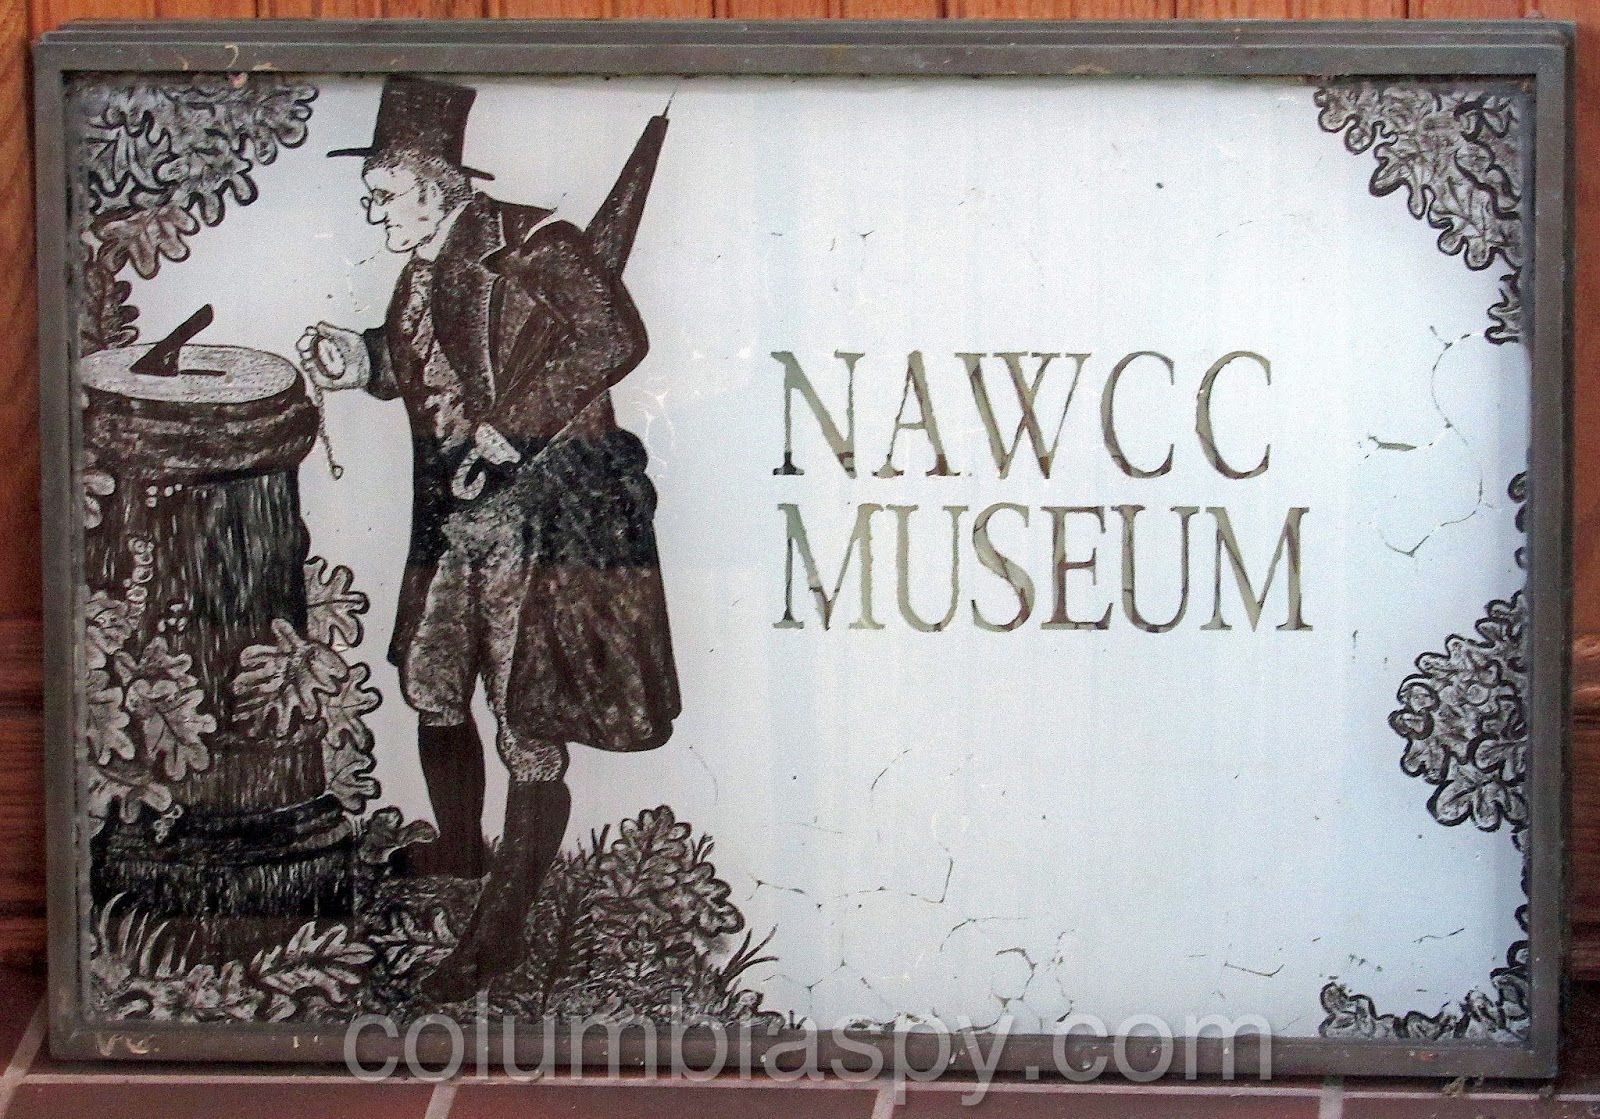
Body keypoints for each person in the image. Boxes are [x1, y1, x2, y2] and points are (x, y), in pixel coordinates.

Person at [298, 76, 679, 1001]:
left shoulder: (536, 244)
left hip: (541, 521)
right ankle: (461, 849)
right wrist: (361, 358)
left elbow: (613, 339)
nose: (372, 211)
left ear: (435, 186)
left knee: (526, 717)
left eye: (384, 193)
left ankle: (499, 934)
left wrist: (511, 432)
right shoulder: (422, 265)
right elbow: (429, 361)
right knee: (433, 683)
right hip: (453, 516)